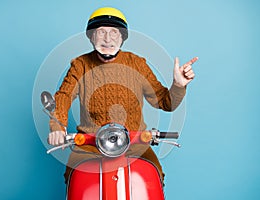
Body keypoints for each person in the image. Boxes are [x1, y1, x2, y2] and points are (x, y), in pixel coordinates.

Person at [48, 7, 198, 184]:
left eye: (114, 32)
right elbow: (63, 97)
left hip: (135, 144)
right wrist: (57, 126)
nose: (107, 39)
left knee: (154, 177)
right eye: (101, 32)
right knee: (74, 179)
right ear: (91, 36)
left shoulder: (136, 63)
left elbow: (165, 102)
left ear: (122, 37)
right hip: (90, 146)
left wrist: (178, 86)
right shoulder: (80, 65)